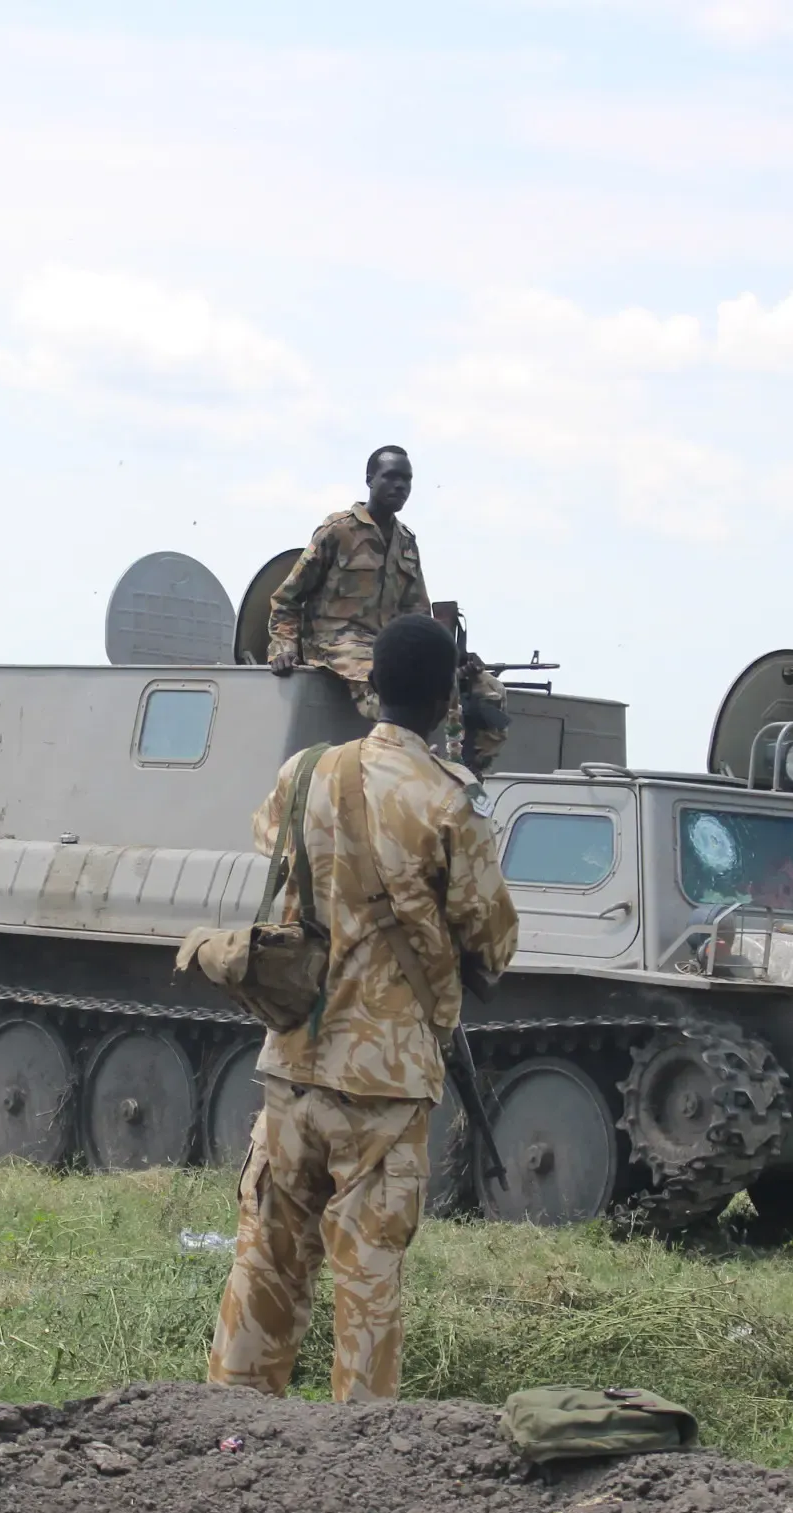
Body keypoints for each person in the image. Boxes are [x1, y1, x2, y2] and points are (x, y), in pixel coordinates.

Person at [209, 613, 519, 1401]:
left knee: (265, 1266)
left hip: (293, 1068)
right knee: (367, 1285)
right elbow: (494, 946)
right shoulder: (452, 803)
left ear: (370, 685)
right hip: (383, 1091)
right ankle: (358, 1462)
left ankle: (225, 1435)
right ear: (450, 695)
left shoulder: (305, 773)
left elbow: (273, 851)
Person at [266, 445, 510, 775]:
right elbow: (287, 598)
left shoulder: (406, 541)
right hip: (337, 645)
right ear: (370, 480)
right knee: (396, 694)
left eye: (407, 480)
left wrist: (450, 656)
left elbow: (418, 614)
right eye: (392, 477)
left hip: (390, 646)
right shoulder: (337, 531)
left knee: (489, 690)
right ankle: (412, 768)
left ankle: (465, 776)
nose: (401, 486)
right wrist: (283, 648)